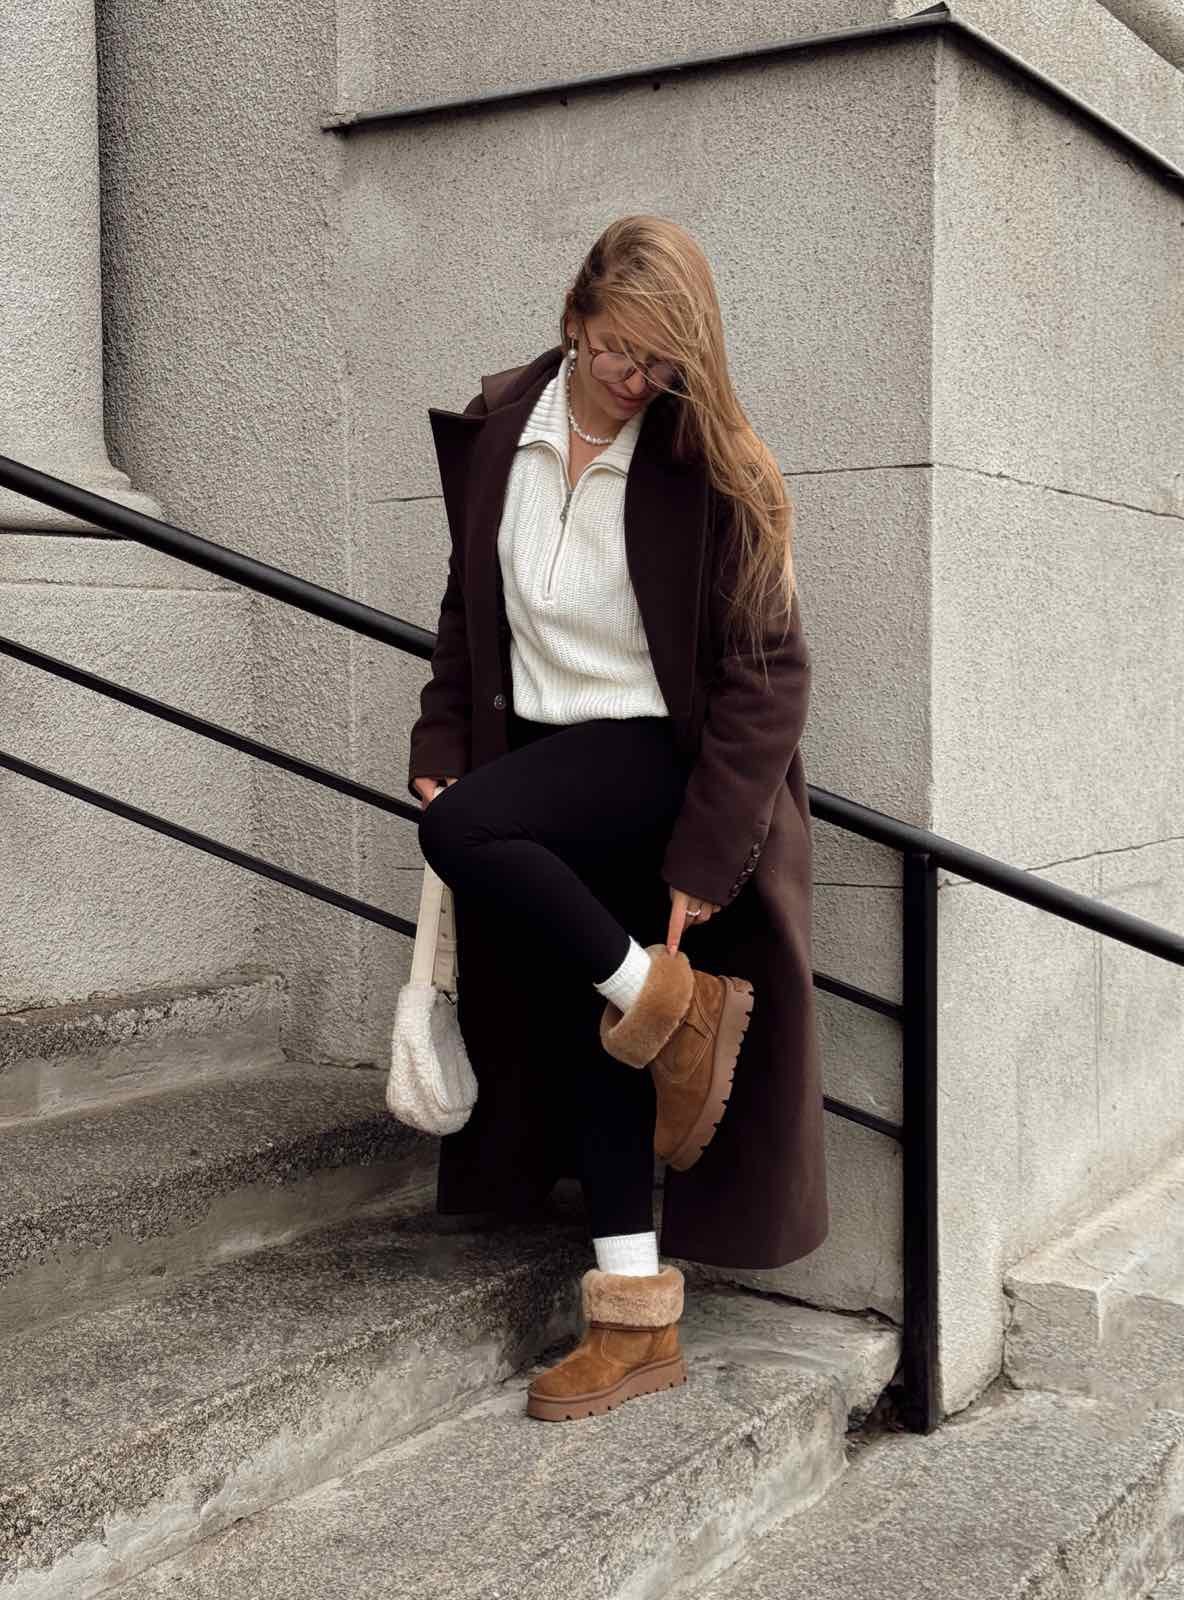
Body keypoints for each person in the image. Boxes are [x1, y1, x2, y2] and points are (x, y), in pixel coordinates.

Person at [407, 214, 828, 1423]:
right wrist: (442, 742)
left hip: (648, 759)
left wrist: (708, 851)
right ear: (574, 319)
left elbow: (768, 676)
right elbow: (466, 608)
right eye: (618, 353)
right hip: (538, 758)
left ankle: (664, 995)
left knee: (461, 836)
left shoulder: (706, 462)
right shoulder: (504, 431)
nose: (637, 379)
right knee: (599, 1031)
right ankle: (636, 1319)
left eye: (661, 361)